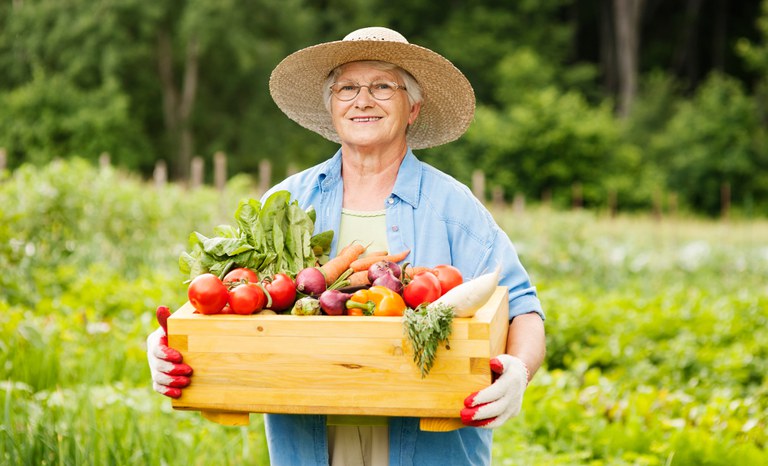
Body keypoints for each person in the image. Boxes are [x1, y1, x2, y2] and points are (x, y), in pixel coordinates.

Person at [147, 26, 545, 466]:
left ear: (412, 107)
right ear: (332, 108)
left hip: (430, 447)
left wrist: (518, 371)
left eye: (382, 86)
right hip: (311, 444)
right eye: (347, 88)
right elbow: (227, 298)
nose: (362, 100)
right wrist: (169, 343)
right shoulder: (288, 202)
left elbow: (523, 308)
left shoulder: (453, 207)